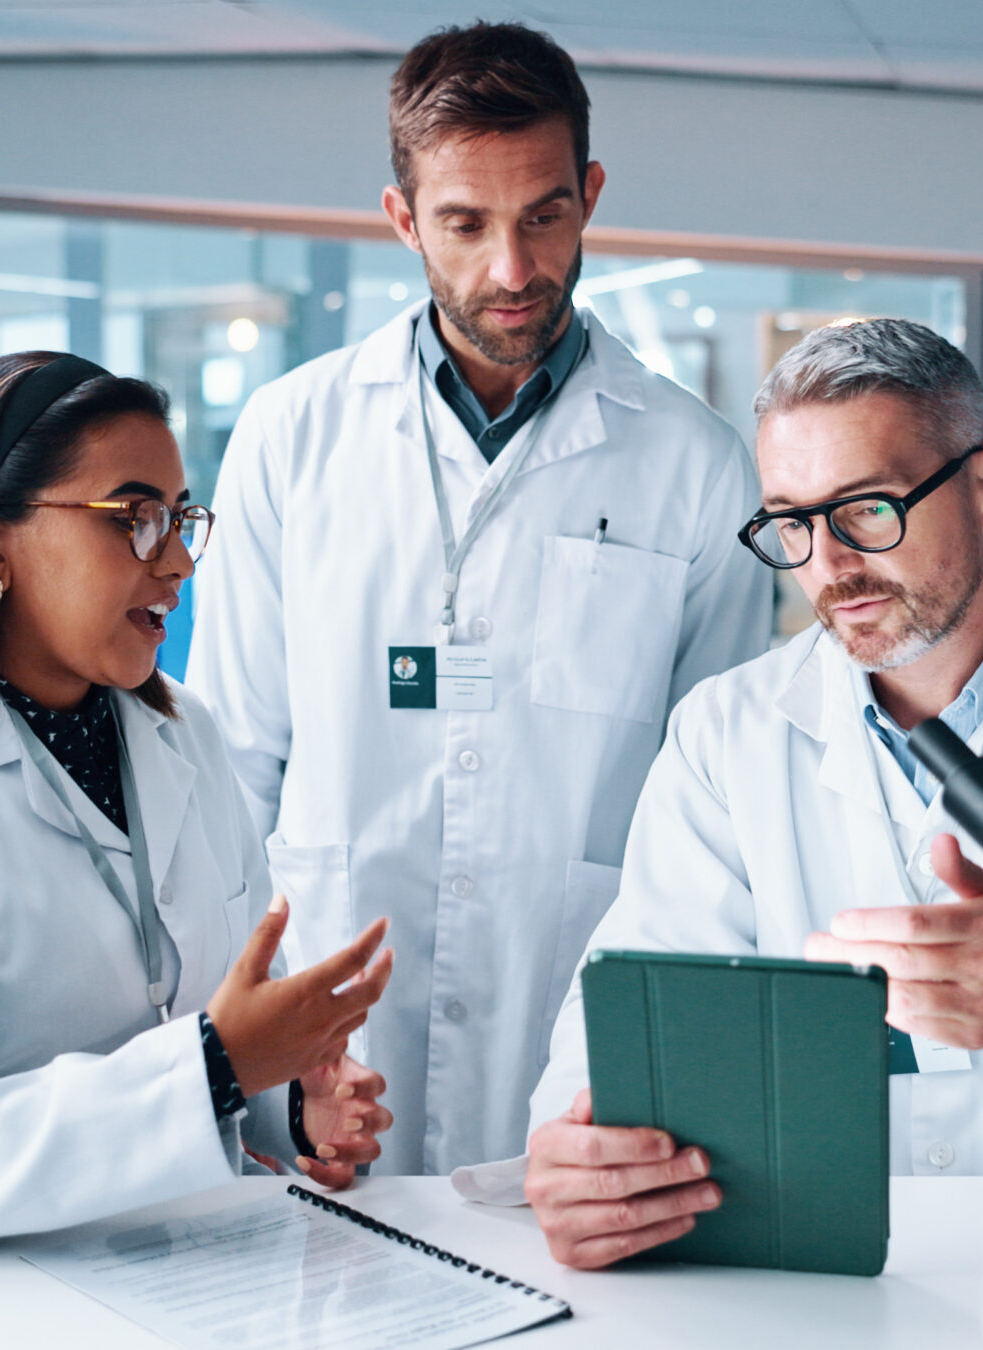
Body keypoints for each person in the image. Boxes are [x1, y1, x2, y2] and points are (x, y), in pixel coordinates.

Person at [467, 319, 983, 1268]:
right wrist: (584, 1162)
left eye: (866, 511)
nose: (828, 566)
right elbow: (635, 1027)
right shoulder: (728, 735)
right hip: (814, 1279)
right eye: (791, 523)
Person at [187, 22, 769, 1175]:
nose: (512, 269)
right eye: (465, 223)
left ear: (589, 195)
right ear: (403, 218)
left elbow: (713, 807)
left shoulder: (695, 465)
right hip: (325, 1048)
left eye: (544, 215)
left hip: (573, 1038)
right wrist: (249, 1062)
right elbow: (233, 771)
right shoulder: (292, 436)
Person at [0, 352, 396, 1245]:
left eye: (180, 520)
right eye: (134, 518)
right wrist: (217, 1067)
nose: (177, 562)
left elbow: (213, 1038)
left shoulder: (184, 739)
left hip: (160, 1275)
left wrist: (291, 1101)